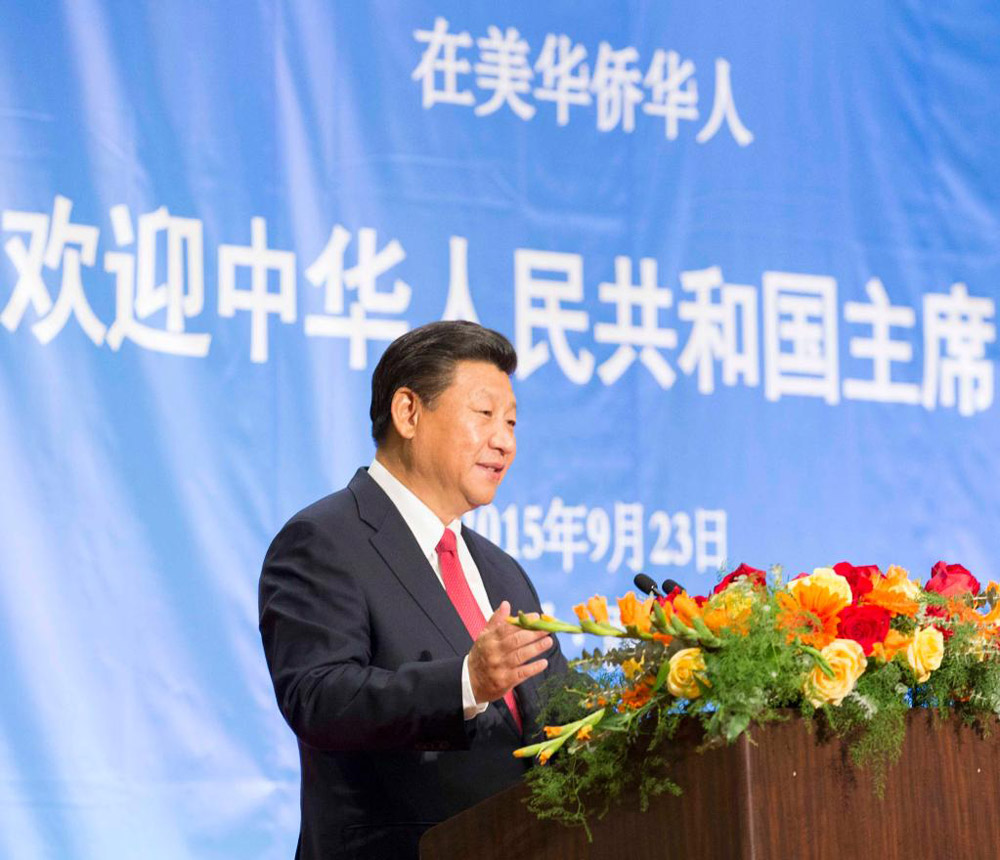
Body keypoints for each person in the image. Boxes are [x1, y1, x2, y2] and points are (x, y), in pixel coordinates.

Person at [259, 321, 568, 860]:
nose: (505, 441)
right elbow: (318, 697)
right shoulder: (323, 540)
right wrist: (465, 683)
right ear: (408, 413)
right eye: (485, 414)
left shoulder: (503, 573)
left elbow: (555, 713)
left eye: (512, 421)